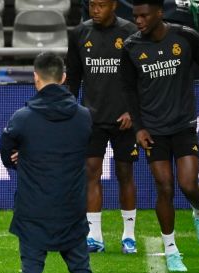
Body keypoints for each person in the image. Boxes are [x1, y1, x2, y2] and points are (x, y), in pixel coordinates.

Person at [120, 0, 199, 271]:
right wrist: (139, 128)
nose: (138, 21)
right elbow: (128, 90)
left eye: (143, 16)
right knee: (165, 187)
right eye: (135, 16)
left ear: (160, 13)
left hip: (183, 125)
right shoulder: (131, 48)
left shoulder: (185, 37)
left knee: (187, 184)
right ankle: (171, 251)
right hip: (153, 129)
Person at [0, 53, 97, 273]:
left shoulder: (23, 118)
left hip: (34, 209)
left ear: (36, 78)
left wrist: (19, 158)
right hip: (71, 207)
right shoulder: (83, 116)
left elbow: (7, 151)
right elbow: (86, 145)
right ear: (64, 78)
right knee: (81, 268)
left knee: (32, 268)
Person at [66, 0, 139, 254]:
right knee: (91, 173)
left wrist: (133, 110)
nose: (95, 10)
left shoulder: (130, 32)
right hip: (91, 118)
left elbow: (141, 76)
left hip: (124, 120)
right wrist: (71, 110)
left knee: (125, 174)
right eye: (92, 5)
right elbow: (73, 77)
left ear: (114, 6)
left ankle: (129, 235)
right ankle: (94, 236)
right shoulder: (79, 33)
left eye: (100, 6)